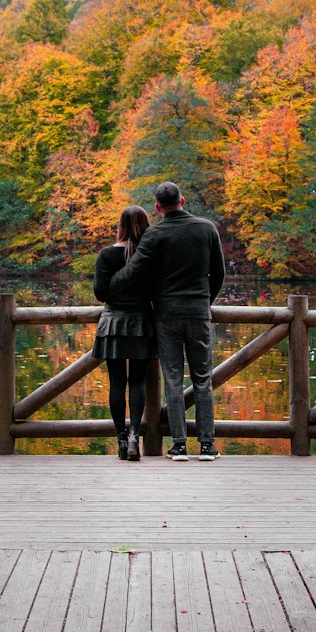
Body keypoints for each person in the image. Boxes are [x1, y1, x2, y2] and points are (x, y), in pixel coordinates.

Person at [109, 181, 225, 462]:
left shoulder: (155, 234)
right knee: (202, 379)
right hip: (198, 311)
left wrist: (109, 285)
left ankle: (179, 445)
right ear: (182, 200)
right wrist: (204, 302)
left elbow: (134, 272)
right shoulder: (207, 228)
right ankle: (207, 446)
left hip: (166, 314)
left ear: (158, 207)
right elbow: (218, 273)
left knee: (173, 379)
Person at [92, 205, 156, 462]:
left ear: (120, 225)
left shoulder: (107, 255)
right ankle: (134, 438)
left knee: (117, 382)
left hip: (114, 324)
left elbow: (100, 293)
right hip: (141, 322)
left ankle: (121, 437)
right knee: (137, 382)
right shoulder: (149, 256)